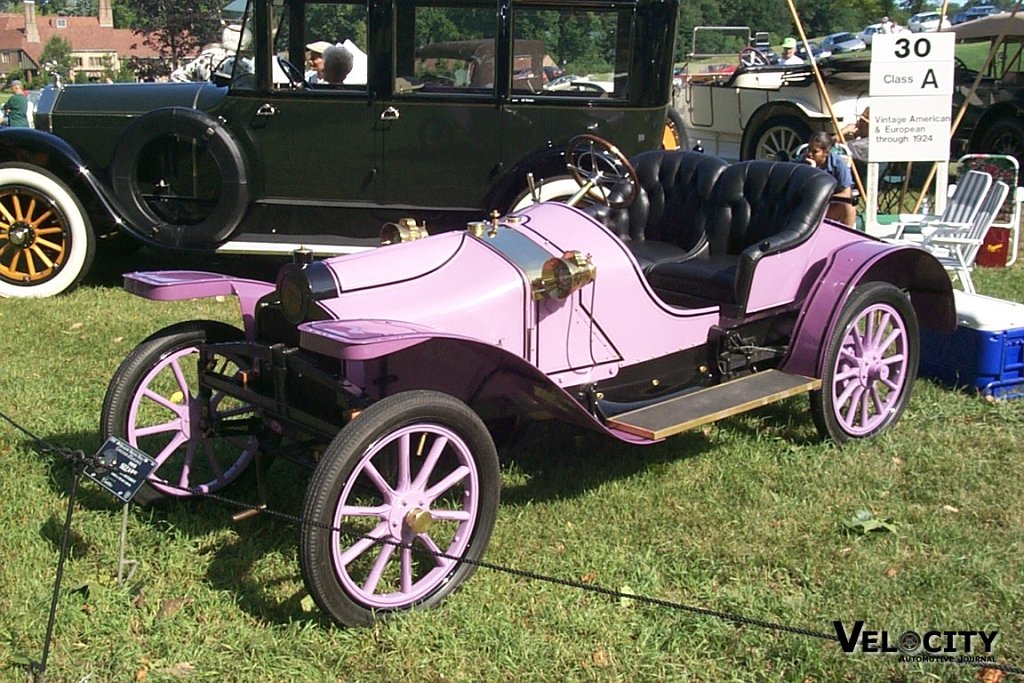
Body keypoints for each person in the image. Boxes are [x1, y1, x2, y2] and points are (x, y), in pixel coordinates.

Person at [802, 131, 856, 227]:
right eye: (808, 150)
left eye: (815, 152)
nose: (810, 154)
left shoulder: (838, 164)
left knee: (849, 207)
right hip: (805, 207)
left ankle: (845, 238)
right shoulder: (802, 161)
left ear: (826, 152)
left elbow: (846, 194)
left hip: (828, 206)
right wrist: (810, 170)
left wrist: (824, 197)